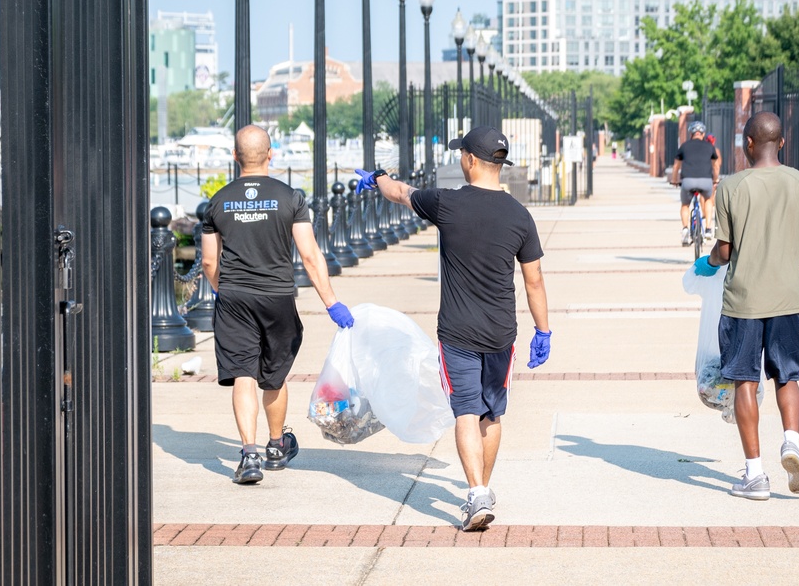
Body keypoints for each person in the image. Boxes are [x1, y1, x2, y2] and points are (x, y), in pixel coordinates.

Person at [354, 126, 551, 532]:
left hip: (458, 333)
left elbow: (402, 193)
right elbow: (534, 280)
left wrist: (378, 178)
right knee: (492, 414)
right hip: (502, 333)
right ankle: (484, 488)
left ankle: (477, 492)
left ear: (470, 160)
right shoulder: (520, 215)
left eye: (461, 153)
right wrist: (543, 331)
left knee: (465, 410)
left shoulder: (447, 204)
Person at [692, 111, 799, 501]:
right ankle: (791, 443)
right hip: (789, 300)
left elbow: (724, 251)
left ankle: (755, 476)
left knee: (745, 381)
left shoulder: (732, 187)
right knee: (788, 375)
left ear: (748, 144)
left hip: (743, 302)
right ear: (782, 143)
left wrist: (707, 264)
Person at [202, 125, 354, 485]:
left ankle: (249, 454)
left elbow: (209, 262)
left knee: (242, 374)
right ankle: (275, 447)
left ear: (235, 157)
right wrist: (333, 304)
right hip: (278, 298)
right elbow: (310, 255)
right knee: (274, 374)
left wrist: (222, 290)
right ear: (271, 155)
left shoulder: (218, 201)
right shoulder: (290, 198)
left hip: (235, 298)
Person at [671, 121, 719, 244]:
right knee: (708, 199)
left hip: (688, 181)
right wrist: (715, 180)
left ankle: (685, 229)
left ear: (690, 134)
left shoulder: (684, 146)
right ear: (702, 134)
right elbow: (716, 166)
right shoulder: (710, 147)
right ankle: (708, 229)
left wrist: (674, 180)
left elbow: (676, 166)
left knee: (685, 205)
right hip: (706, 181)